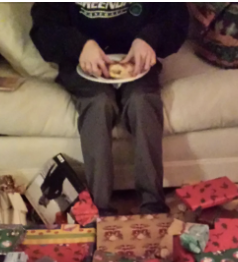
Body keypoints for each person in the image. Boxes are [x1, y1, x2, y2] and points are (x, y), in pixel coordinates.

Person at [30, 3, 190, 215]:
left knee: (141, 101)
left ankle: (153, 204)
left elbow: (175, 16)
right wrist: (80, 46)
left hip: (138, 61)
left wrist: (150, 39)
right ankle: (99, 207)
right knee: (99, 103)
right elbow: (44, 30)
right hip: (81, 64)